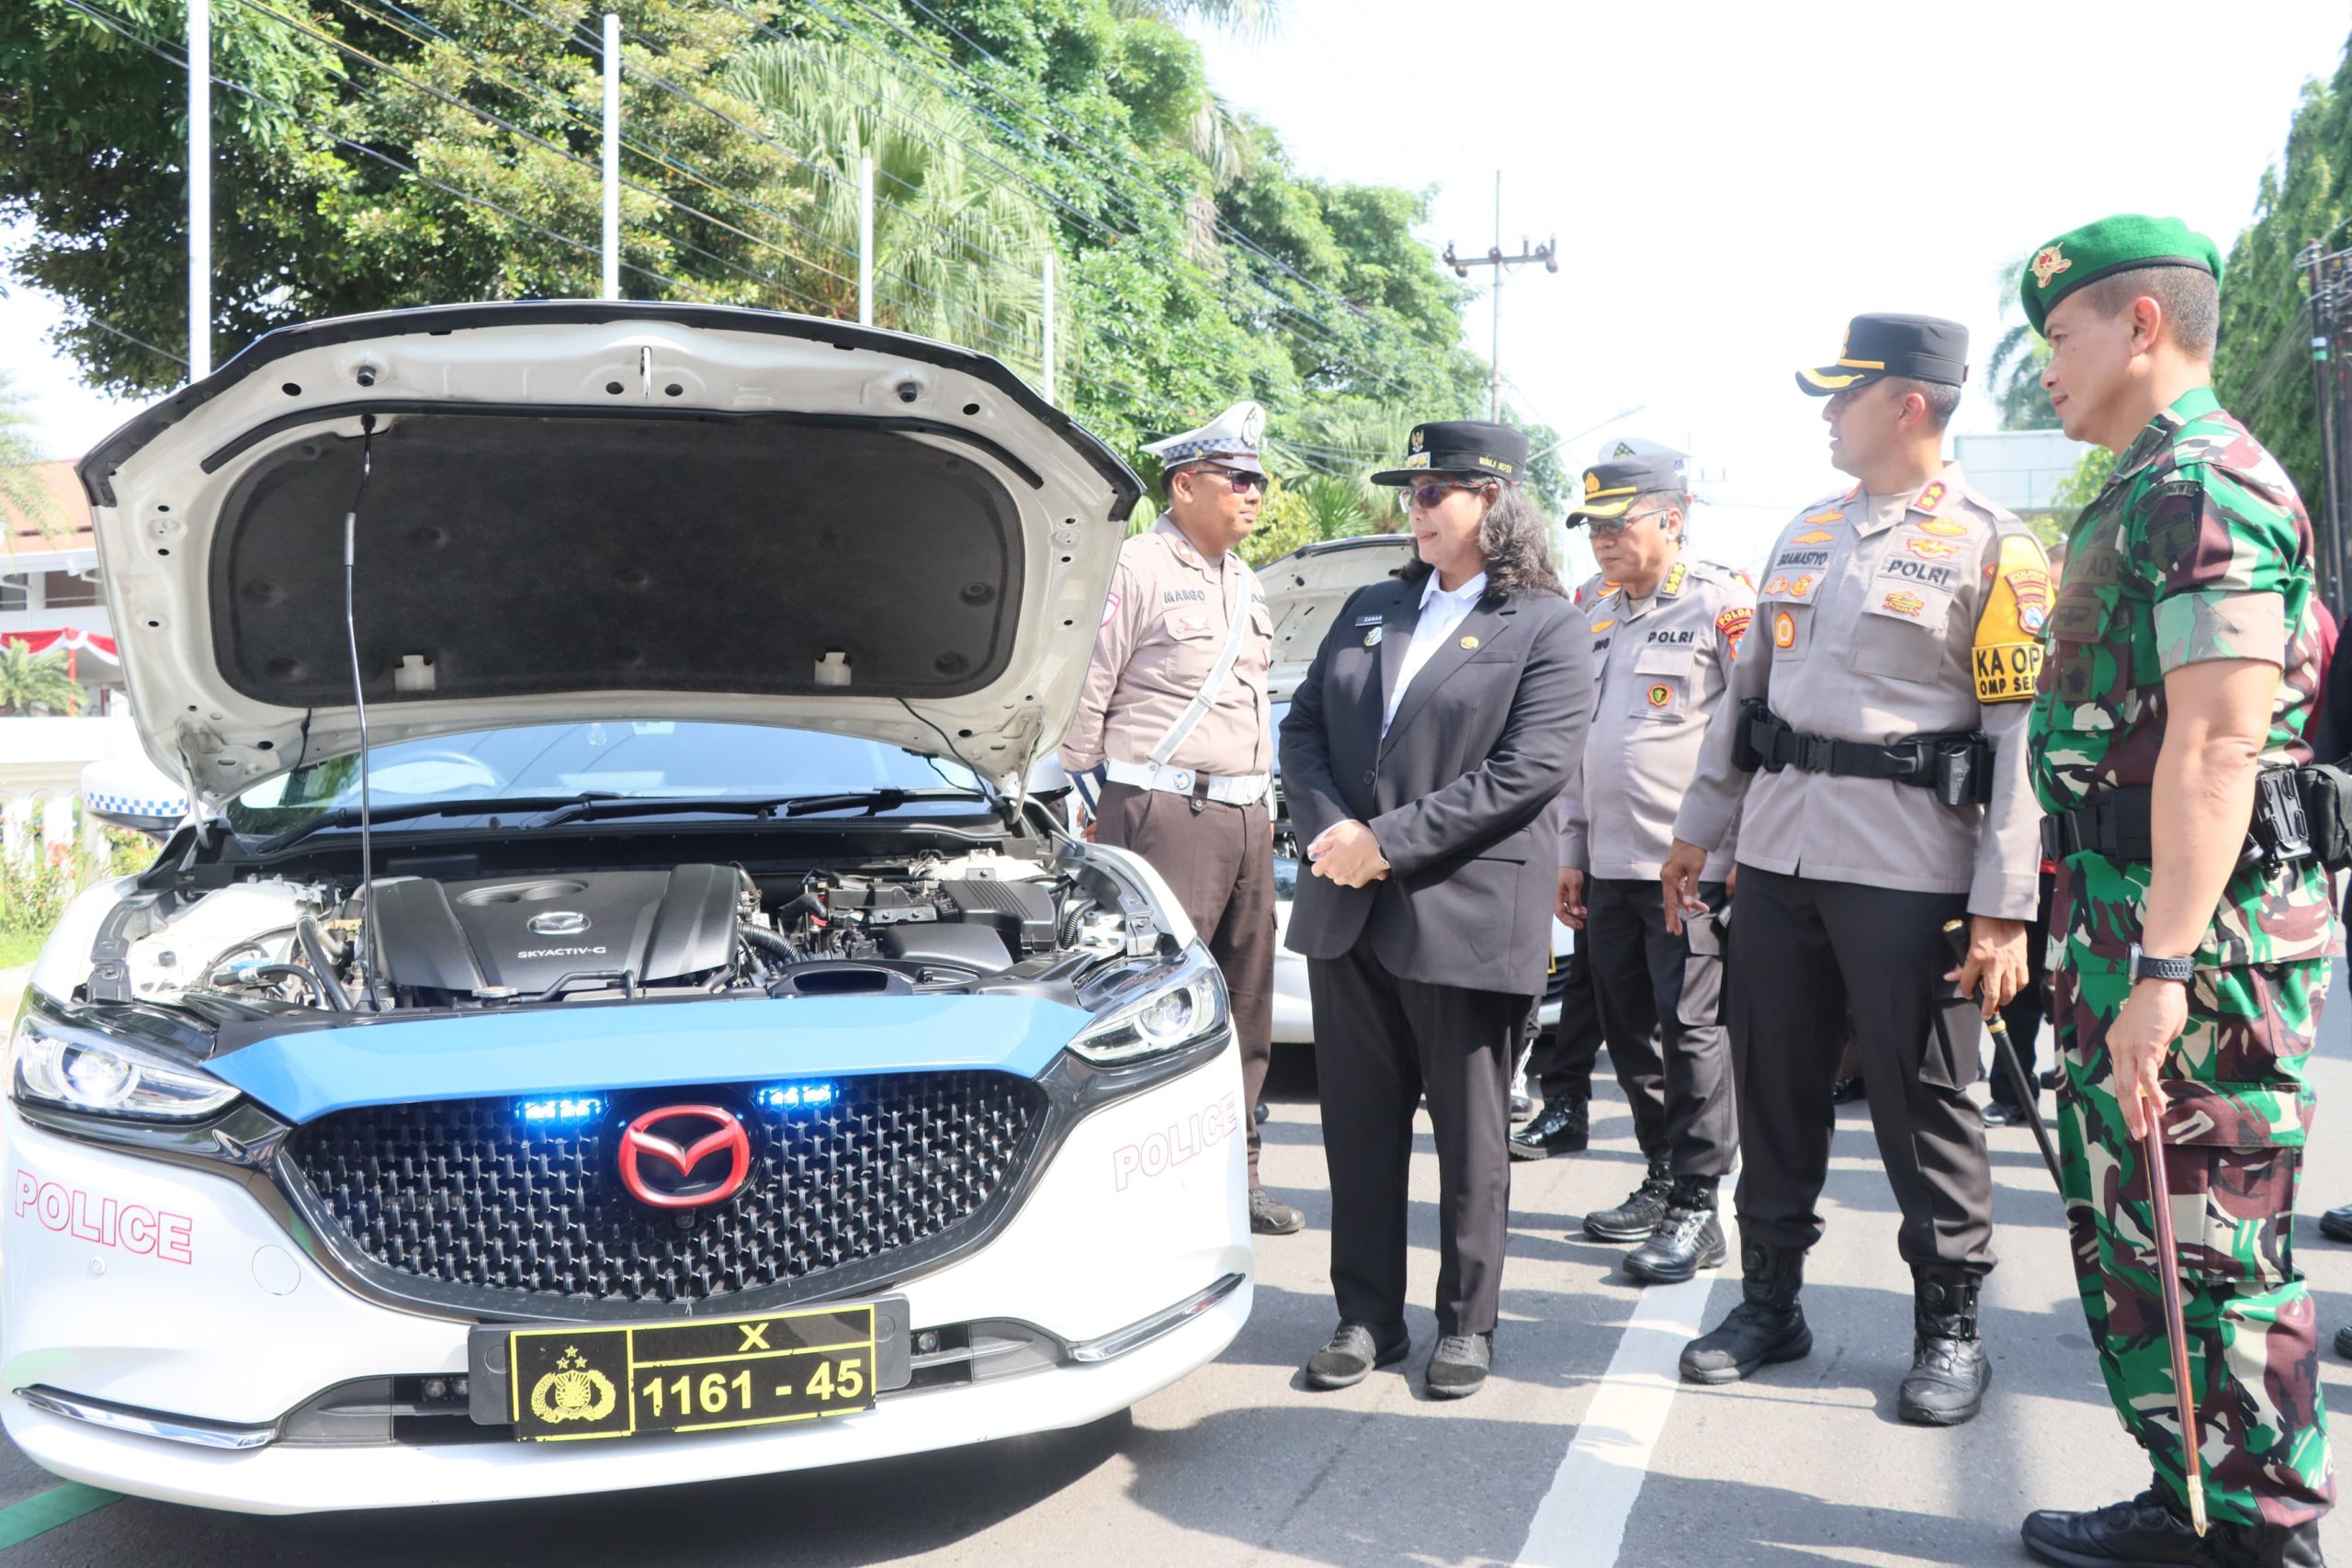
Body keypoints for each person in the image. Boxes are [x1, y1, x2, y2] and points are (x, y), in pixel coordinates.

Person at [2012, 215, 2337, 1568]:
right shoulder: (2146, 479)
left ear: (2142, 325)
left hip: (2199, 946)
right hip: (2128, 912)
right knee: (2141, 1238)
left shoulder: (2206, 483)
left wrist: (2159, 972)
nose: (2044, 371)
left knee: (2213, 1249)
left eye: (2061, 336)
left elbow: (2215, 742)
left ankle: (2261, 1532)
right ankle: (2187, 1492)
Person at [1660, 313, 2049, 1427]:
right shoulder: (1804, 530)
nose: (1826, 415)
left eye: (1844, 395)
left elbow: (2019, 742)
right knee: (1773, 1083)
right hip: (1779, 858)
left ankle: (1949, 1327)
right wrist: (1701, 828)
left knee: (1925, 1099)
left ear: (1908, 405)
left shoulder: (1992, 546)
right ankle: (1769, 1301)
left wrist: (2002, 909)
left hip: (1910, 871)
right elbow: (1746, 700)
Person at [1281, 420, 1586, 1399]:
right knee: (1358, 1130)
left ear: (1491, 502)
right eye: (1410, 494)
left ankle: (1466, 1321)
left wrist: (1389, 842)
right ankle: (1366, 1315)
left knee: (1470, 1133)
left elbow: (1528, 769)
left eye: (1431, 493)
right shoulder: (1372, 605)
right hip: (1348, 908)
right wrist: (1336, 834)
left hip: (1462, 911)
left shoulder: (1546, 623)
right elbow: (1303, 730)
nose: (1412, 510)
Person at [1060, 400, 1302, 1238]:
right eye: (1239, 478)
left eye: (1260, 480)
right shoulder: (1136, 565)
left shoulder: (1249, 582)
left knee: (1245, 1006)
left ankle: (1237, 1176)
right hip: (1163, 811)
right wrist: (1093, 798)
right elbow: (1087, 690)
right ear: (1186, 483)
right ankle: (1141, 1190)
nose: (1255, 493)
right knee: (1149, 1002)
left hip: (1245, 819)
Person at [1555, 449, 1750, 1282]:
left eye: (1618, 523)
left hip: (1687, 869)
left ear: (1672, 519)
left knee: (1693, 1031)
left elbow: (1754, 736)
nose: (1602, 540)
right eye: (1593, 526)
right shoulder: (1593, 609)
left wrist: (1733, 852)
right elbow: (1578, 745)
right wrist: (1570, 851)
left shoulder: (1723, 602)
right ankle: (1663, 1174)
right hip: (1607, 864)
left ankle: (1701, 1204)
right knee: (1631, 1032)